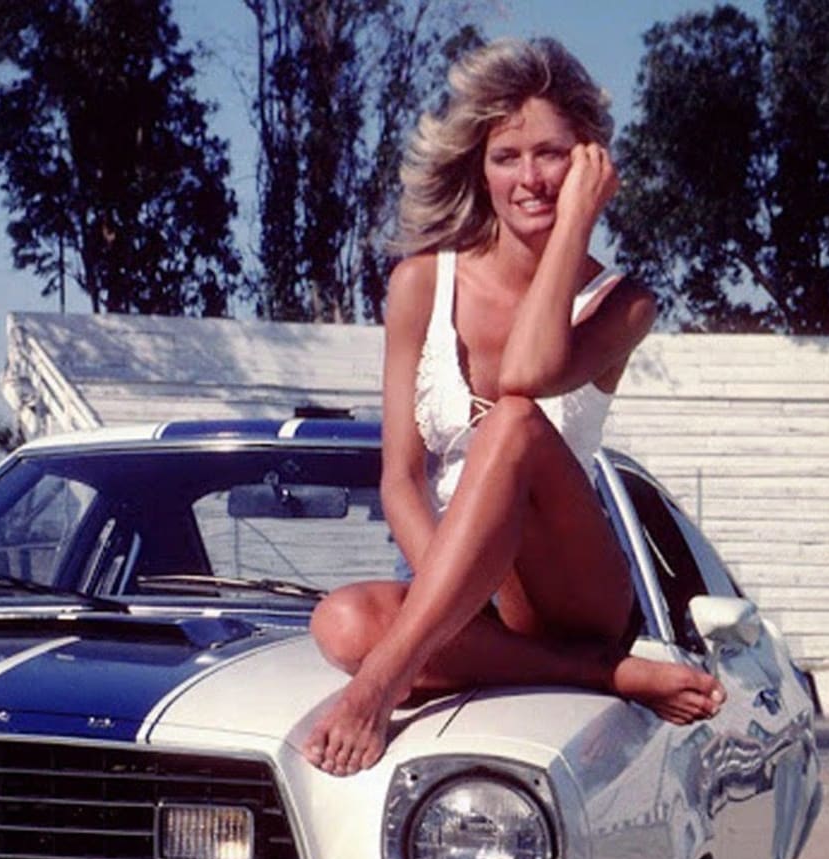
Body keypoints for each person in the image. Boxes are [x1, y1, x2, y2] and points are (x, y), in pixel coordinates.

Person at [302, 37, 724, 777]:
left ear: (590, 162)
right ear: (480, 165)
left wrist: (573, 229)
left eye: (552, 154)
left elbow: (529, 372)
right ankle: (608, 673)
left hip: (574, 590)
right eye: (506, 157)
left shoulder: (624, 303)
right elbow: (400, 477)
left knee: (515, 419)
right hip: (465, 592)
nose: (529, 178)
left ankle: (384, 682)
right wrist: (449, 594)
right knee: (337, 619)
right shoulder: (418, 287)